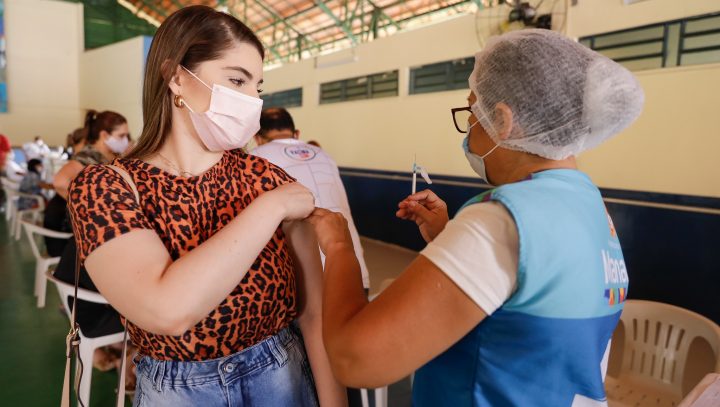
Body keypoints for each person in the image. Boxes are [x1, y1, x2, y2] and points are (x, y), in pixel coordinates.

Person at [309, 29, 644, 406]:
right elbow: (530, 297)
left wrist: (339, 247)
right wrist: (450, 236)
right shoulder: (590, 206)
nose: (468, 127)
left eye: (472, 111)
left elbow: (356, 360)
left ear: (503, 120)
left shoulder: (502, 220)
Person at [68, 6, 345, 407]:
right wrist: (268, 209)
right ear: (177, 77)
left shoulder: (267, 177)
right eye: (237, 80)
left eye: (258, 87)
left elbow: (315, 316)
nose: (252, 101)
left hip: (283, 377)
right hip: (177, 392)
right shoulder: (105, 187)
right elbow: (167, 309)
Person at [252, 107, 370, 291]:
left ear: (257, 138)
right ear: (296, 134)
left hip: (306, 287)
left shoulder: (257, 158)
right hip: (354, 271)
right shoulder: (324, 155)